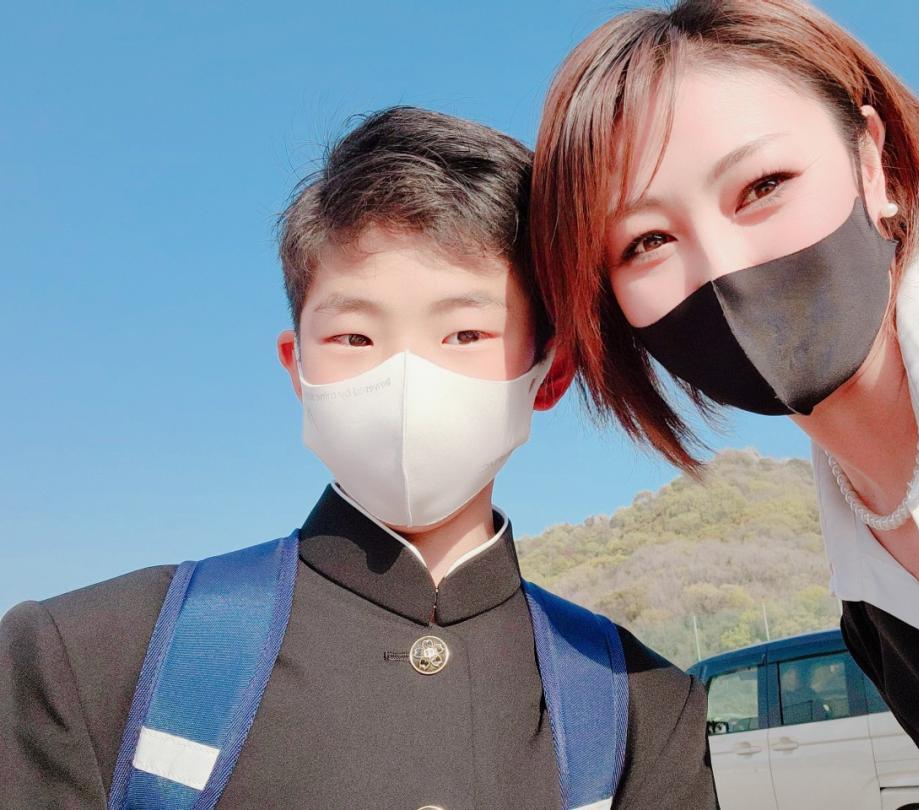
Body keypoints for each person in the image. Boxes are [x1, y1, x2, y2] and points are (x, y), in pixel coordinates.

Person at [0, 106, 719, 809]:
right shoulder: (87, 660)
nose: (406, 379)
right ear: (297, 367)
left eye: (465, 334)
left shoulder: (642, 707)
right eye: (354, 338)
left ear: (550, 374)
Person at [527, 1, 919, 806]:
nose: (723, 265)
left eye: (763, 186)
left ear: (871, 162)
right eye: (646, 242)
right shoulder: (869, 605)